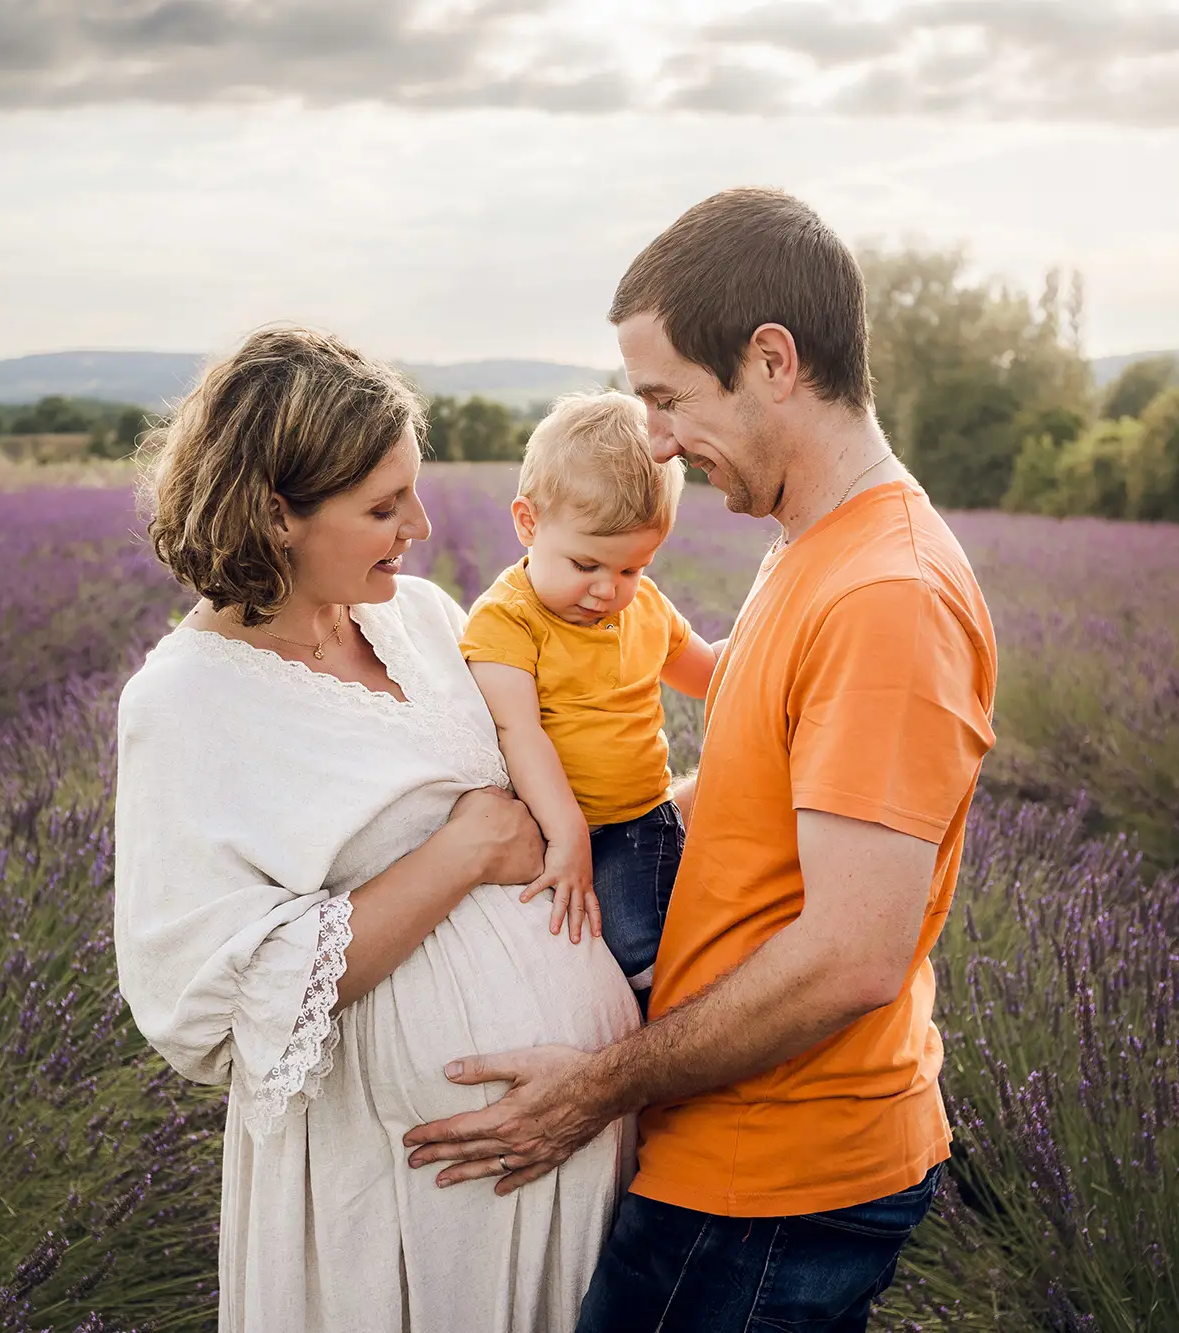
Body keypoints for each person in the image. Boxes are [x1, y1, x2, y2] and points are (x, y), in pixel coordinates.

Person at [403, 188, 1000, 1331]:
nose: (658, 439)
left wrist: (591, 1088)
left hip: (775, 1181)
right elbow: (753, 801)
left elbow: (849, 955)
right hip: (731, 1150)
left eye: (668, 397)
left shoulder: (883, 594)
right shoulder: (805, 550)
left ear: (770, 360)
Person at [112, 326, 639, 1333]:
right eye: (382, 505)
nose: (421, 524)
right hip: (401, 1182)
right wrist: (464, 850)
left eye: (413, 490)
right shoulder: (185, 701)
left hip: (575, 1141)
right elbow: (208, 1001)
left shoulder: (428, 620)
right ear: (276, 515)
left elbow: (555, 793)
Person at [459, 391, 718, 998]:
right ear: (528, 523)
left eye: (632, 569)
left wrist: (782, 643)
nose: (609, 589)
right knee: (558, 967)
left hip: (636, 823)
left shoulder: (646, 608)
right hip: (545, 828)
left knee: (641, 955)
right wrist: (568, 832)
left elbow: (711, 673)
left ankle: (680, 1052)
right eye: (586, 564)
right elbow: (517, 732)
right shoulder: (507, 619)